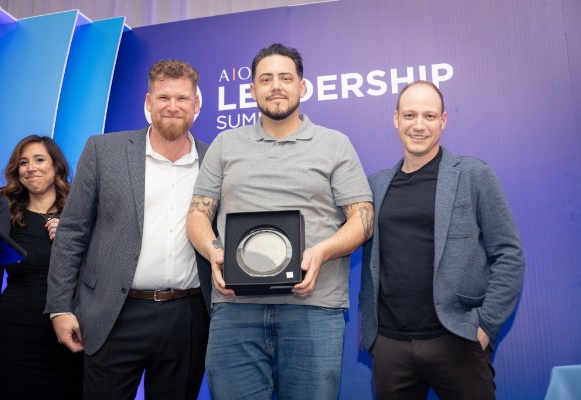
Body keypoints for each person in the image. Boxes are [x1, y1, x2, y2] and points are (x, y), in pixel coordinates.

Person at [186, 43, 374, 400]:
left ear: (302, 86)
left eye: (285, 78)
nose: (276, 86)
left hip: (314, 309)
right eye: (266, 79)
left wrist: (321, 253)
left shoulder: (335, 144)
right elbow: (197, 213)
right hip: (235, 310)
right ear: (252, 90)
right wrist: (214, 254)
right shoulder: (225, 144)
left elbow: (363, 218)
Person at [45, 60, 211, 399]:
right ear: (148, 102)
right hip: (113, 313)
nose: (173, 106)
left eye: (182, 98)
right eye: (163, 97)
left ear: (196, 104)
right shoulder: (103, 151)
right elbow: (72, 232)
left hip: (189, 316)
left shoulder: (215, 161)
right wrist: (60, 308)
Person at [359, 80, 525, 399]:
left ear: (443, 120)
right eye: (410, 115)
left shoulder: (474, 174)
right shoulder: (375, 185)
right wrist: (375, 339)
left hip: (457, 338)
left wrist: (485, 325)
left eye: (430, 116)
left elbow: (509, 254)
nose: (419, 125)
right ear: (396, 118)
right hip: (390, 345)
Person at [0, 135, 83, 399]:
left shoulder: (80, 215)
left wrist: (72, 238)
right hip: (13, 338)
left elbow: (101, 271)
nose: (31, 168)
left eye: (39, 160)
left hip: (71, 336)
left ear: (56, 166)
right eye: (23, 162)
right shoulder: (5, 215)